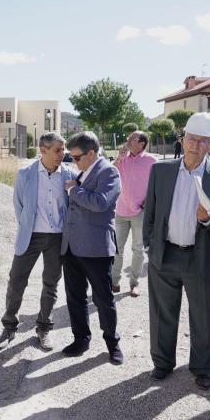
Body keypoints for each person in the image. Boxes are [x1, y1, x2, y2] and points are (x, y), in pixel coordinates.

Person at [142, 112, 210, 390]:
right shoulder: (161, 171)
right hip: (165, 254)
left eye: (204, 141)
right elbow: (152, 211)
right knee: (162, 313)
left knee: (203, 315)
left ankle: (202, 368)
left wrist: (209, 219)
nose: (196, 145)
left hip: (200, 256)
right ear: (182, 140)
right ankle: (162, 362)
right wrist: (149, 244)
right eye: (192, 139)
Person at [0, 132, 79, 350]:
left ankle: (44, 328)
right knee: (16, 281)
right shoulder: (26, 174)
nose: (62, 154)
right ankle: (9, 327)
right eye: (57, 150)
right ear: (43, 151)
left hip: (57, 238)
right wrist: (28, 228)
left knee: (51, 284)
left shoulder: (69, 174)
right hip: (30, 237)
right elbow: (19, 206)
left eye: (63, 150)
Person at [60, 131, 124, 363]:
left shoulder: (109, 172)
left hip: (96, 248)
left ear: (91, 153)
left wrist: (72, 190)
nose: (72, 161)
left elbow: (100, 203)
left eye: (76, 157)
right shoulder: (82, 171)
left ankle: (112, 343)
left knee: (103, 299)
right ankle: (81, 339)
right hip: (71, 247)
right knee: (75, 297)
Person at [112, 131, 157, 296]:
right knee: (117, 249)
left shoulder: (151, 161)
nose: (128, 140)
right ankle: (114, 281)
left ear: (142, 143)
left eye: (132, 138)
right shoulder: (123, 158)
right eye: (128, 138)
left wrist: (148, 202)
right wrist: (118, 157)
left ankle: (134, 283)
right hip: (121, 210)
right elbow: (110, 173)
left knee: (138, 249)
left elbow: (157, 183)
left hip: (140, 212)